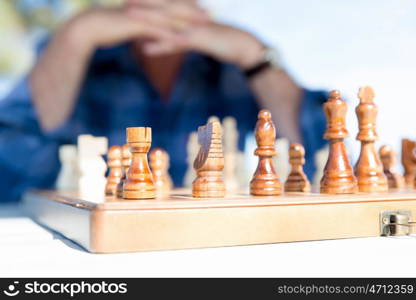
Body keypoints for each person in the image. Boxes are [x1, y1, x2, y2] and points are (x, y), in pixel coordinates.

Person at [0, 0, 327, 202]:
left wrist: (256, 56)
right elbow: (10, 178)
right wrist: (75, 35)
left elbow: (317, 168)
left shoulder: (236, 68)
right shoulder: (75, 56)